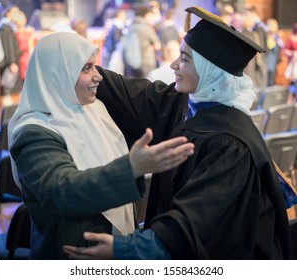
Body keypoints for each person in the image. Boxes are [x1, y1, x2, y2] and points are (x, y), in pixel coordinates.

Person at [63, 6, 292, 260]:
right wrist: (75, 61)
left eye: (184, 59)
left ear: (209, 70)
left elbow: (196, 220)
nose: (173, 64)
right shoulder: (185, 104)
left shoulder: (229, 144)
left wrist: (125, 249)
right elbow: (128, 94)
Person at [7, 31, 195, 260]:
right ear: (58, 74)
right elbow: (61, 189)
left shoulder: (93, 110)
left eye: (95, 66)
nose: (99, 76)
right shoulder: (33, 132)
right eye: (86, 68)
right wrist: (131, 167)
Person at [0, 4, 22, 106]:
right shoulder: (6, 28)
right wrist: (12, 62)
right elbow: (8, 46)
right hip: (9, 65)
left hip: (11, 64)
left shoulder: (8, 27)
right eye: (15, 13)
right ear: (8, 13)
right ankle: (7, 116)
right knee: (8, 92)